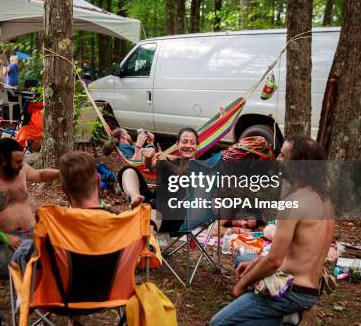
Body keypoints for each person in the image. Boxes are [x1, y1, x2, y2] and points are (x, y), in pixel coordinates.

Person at [210, 135, 335, 325]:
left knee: (218, 323)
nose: (278, 160)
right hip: (311, 288)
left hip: (291, 291)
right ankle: (290, 315)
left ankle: (289, 318)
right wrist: (255, 265)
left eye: (284, 157)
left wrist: (241, 285)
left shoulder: (294, 202)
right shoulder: (325, 199)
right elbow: (292, 254)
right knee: (244, 260)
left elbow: (274, 260)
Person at [0, 138, 59, 276]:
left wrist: (62, 173)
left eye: (22, 160)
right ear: (2, 160)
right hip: (3, 238)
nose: (22, 165)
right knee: (9, 269)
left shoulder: (21, 170)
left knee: (53, 261)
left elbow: (40, 175)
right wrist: (6, 237)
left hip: (31, 233)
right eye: (17, 162)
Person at [11, 150, 110, 271]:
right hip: (113, 288)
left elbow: (32, 262)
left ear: (64, 189)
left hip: (65, 288)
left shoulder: (53, 228)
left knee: (24, 248)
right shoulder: (122, 223)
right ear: (99, 180)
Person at [118, 127, 198, 211]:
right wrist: (148, 157)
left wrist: (166, 164)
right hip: (151, 201)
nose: (188, 146)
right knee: (128, 170)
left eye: (192, 143)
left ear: (197, 146)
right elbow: (150, 166)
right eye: (184, 142)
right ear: (177, 144)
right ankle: (136, 199)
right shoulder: (171, 158)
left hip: (173, 209)